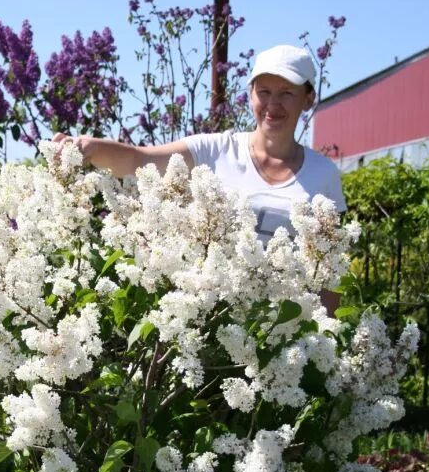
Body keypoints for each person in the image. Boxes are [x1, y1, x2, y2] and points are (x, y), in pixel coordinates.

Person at [53, 43, 346, 312]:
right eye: (264, 92)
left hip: (281, 337)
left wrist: (328, 334)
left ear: (308, 99)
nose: (272, 104)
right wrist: (89, 148)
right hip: (209, 325)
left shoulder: (323, 175)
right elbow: (138, 160)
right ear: (251, 94)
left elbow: (330, 268)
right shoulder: (214, 150)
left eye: (286, 93)